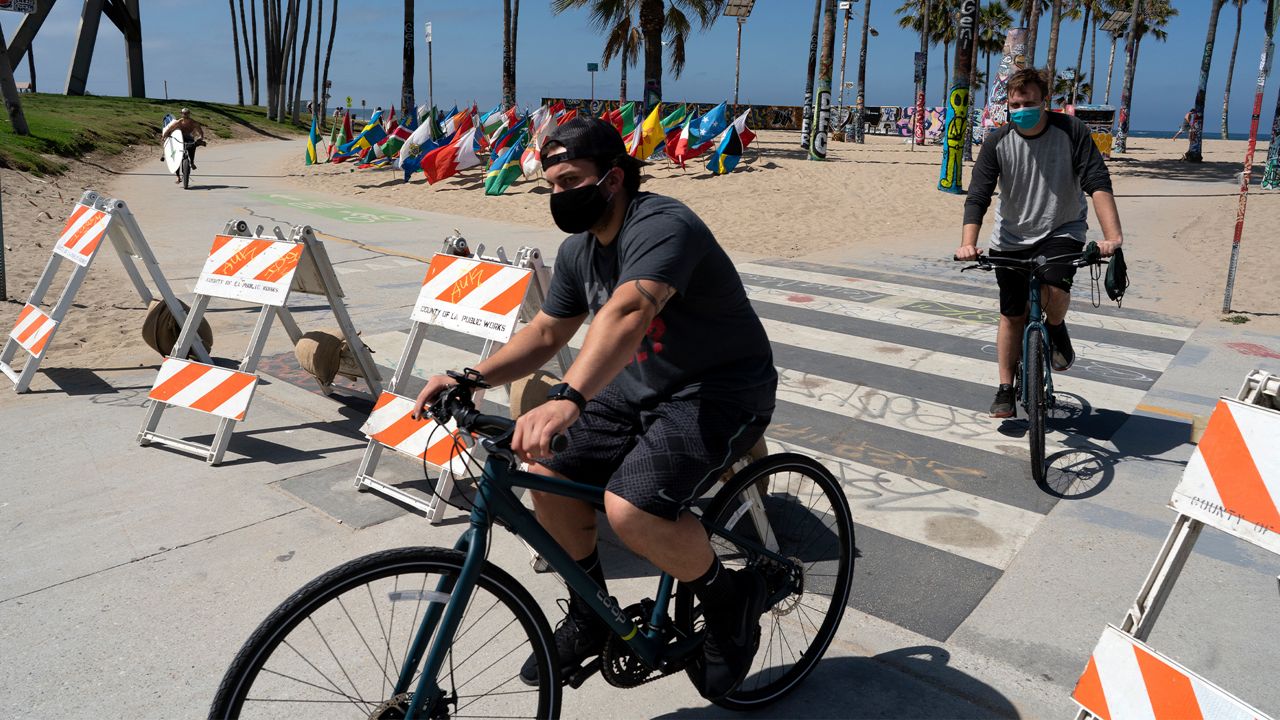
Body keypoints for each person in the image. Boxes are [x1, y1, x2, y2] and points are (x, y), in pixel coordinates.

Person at [412, 116, 777, 700]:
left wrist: (568, 399)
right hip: (637, 391)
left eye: (572, 180)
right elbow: (548, 331)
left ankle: (730, 597)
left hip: (719, 390)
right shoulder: (580, 250)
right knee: (546, 473)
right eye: (552, 184)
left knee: (631, 510)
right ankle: (589, 610)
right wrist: (470, 376)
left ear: (613, 179)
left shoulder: (663, 224)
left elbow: (630, 311)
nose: (560, 194)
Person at [956, 68, 1123, 418]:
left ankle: (1056, 327)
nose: (1021, 109)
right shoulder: (997, 141)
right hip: (1010, 237)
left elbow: (1097, 181)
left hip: (1062, 229)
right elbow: (979, 194)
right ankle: (1005, 388)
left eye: (1028, 102)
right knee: (1011, 315)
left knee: (1055, 289)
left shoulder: (1071, 131)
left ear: (1045, 102)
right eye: (1014, 104)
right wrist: (968, 243)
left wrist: (1112, 237)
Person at [160, 108, 206, 184]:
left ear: (189, 114)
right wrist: (164, 136)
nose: (185, 115)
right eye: (184, 113)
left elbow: (201, 132)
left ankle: (192, 162)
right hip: (179, 138)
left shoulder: (194, 123)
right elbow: (169, 129)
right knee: (176, 157)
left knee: (192, 146)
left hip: (189, 138)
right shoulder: (179, 122)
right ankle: (178, 177)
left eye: (187, 113)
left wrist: (201, 138)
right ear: (181, 114)